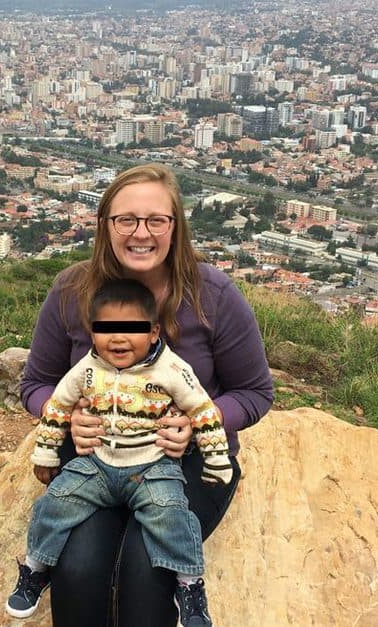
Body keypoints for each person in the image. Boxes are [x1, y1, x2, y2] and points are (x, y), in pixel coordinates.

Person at [20, 163, 273, 627]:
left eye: (157, 220)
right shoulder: (72, 291)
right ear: (106, 226)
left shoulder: (211, 295)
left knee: (148, 568)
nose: (142, 232)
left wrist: (199, 422)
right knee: (76, 568)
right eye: (126, 220)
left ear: (176, 227)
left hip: (187, 462)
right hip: (98, 459)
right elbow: (34, 385)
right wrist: (66, 414)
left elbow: (255, 392)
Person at [6, 278, 232, 626]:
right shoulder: (87, 369)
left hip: (152, 464)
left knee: (170, 512)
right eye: (107, 328)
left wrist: (215, 458)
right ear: (92, 332)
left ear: (154, 332)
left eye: (132, 329)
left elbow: (203, 411)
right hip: (97, 462)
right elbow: (57, 406)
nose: (119, 338)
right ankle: (36, 567)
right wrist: (47, 453)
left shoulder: (172, 370)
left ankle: (188, 585)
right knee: (55, 503)